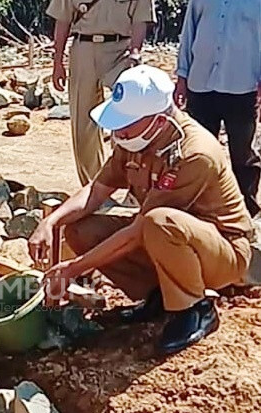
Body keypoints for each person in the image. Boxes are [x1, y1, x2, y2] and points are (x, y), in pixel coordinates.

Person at [29, 65, 253, 355]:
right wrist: (51, 222)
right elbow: (97, 191)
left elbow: (141, 230)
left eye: (125, 123)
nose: (116, 131)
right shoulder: (135, 138)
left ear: (158, 121)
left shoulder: (195, 153)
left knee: (159, 222)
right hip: (166, 239)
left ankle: (195, 308)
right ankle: (159, 296)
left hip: (222, 253)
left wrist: (74, 268)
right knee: (80, 229)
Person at [46, 0, 156, 186]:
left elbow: (140, 19)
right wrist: (58, 63)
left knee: (131, 119)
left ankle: (134, 184)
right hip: (83, 48)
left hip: (121, 50)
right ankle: (94, 185)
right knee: (83, 124)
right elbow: (63, 19)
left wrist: (135, 52)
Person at [173, 0, 261, 217]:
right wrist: (182, 76)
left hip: (242, 85)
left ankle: (247, 211)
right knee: (197, 151)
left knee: (242, 153)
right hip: (200, 83)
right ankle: (199, 207)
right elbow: (189, 32)